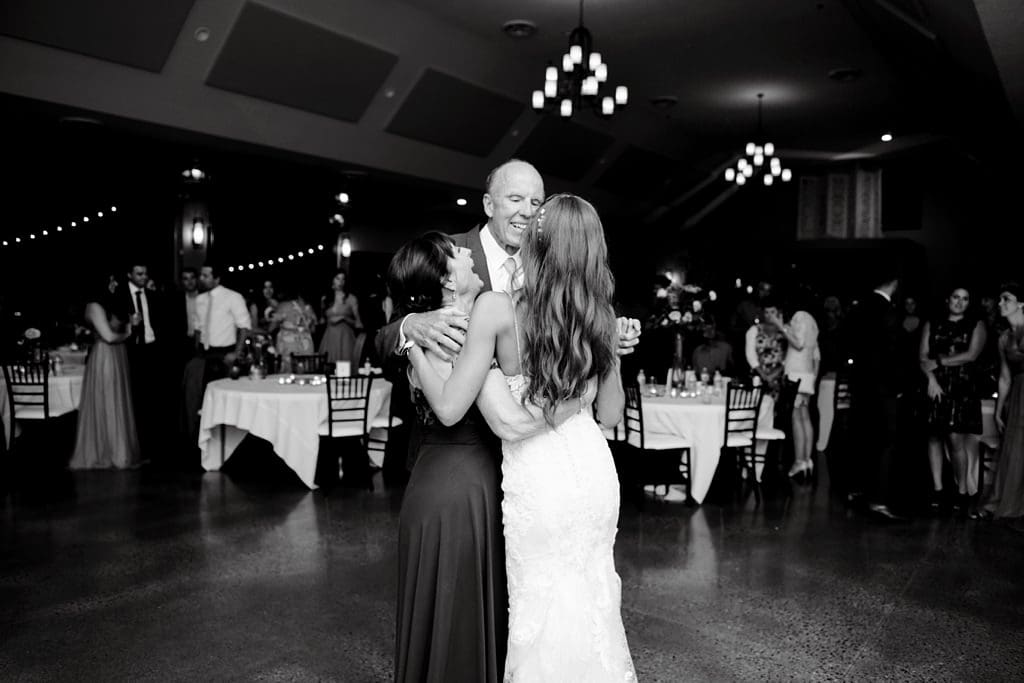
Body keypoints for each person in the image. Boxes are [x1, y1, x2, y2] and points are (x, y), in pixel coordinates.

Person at [408, 194, 636, 681]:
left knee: (543, 607)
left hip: (541, 477)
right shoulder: (598, 315)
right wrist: (584, 390)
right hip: (593, 471)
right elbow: (611, 415)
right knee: (594, 599)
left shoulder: (497, 309)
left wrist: (413, 349)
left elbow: (470, 413)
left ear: (536, 243)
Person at [390, 232, 588, 683]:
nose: (467, 253)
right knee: (458, 613)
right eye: (457, 254)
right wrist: (578, 398)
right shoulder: (448, 332)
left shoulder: (458, 325)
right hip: (458, 489)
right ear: (446, 279)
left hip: (462, 480)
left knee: (459, 611)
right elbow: (462, 411)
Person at [848, 267, 908, 521]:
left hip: (861, 385)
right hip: (883, 387)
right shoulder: (888, 310)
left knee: (863, 437)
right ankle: (879, 500)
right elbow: (892, 352)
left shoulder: (858, 308)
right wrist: (899, 385)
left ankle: (857, 492)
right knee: (886, 441)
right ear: (894, 283)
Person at [919, 287, 986, 512]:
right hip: (934, 385)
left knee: (955, 438)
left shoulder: (976, 324)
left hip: (962, 386)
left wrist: (939, 362)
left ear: (969, 303)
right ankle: (937, 490)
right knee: (933, 436)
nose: (959, 302)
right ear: (948, 299)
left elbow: (971, 355)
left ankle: (962, 491)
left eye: (965, 299)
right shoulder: (932, 323)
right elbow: (922, 356)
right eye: (956, 297)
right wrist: (931, 380)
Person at [70, 281, 140, 469]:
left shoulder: (109, 305)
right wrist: (128, 332)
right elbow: (108, 337)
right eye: (111, 280)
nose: (114, 284)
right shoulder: (94, 306)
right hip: (105, 356)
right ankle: (109, 452)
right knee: (108, 400)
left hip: (117, 355)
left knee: (117, 401)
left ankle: (119, 450)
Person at [977, 283, 1024, 520]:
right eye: (1000, 299)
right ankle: (1007, 502)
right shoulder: (1004, 338)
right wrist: (998, 410)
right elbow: (1005, 377)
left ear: (1021, 303)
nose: (1000, 303)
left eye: (1007, 299)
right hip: (1018, 394)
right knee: (1015, 447)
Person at [766, 296, 820, 478]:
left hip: (797, 375)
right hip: (807, 375)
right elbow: (816, 355)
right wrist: (813, 377)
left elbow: (798, 344)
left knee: (797, 418)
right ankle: (807, 460)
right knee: (805, 417)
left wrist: (780, 325)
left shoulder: (800, 316)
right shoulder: (812, 322)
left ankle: (799, 461)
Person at [195, 264, 251, 383]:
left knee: (225, 387)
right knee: (204, 389)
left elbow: (244, 327)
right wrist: (196, 352)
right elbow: (198, 328)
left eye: (205, 276)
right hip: (204, 353)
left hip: (225, 354)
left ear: (217, 279)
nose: (201, 278)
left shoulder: (233, 297)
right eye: (201, 275)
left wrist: (236, 353)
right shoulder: (200, 299)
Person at [745, 297, 787, 403]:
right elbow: (750, 356)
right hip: (758, 377)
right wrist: (764, 376)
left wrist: (774, 375)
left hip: (778, 378)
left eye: (772, 312)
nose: (769, 316)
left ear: (778, 313)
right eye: (766, 312)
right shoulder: (754, 330)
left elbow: (787, 357)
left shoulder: (785, 332)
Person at [319, 271, 361, 364]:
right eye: (338, 278)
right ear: (332, 280)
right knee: (328, 366)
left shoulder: (351, 298)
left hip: (345, 338)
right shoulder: (325, 298)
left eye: (343, 279)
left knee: (345, 366)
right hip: (329, 338)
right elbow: (321, 321)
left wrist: (344, 318)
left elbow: (359, 324)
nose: (340, 282)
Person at [270, 288, 317, 372]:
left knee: (288, 371)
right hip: (306, 344)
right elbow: (313, 330)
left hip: (289, 344)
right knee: (305, 370)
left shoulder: (284, 306)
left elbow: (271, 327)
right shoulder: (310, 309)